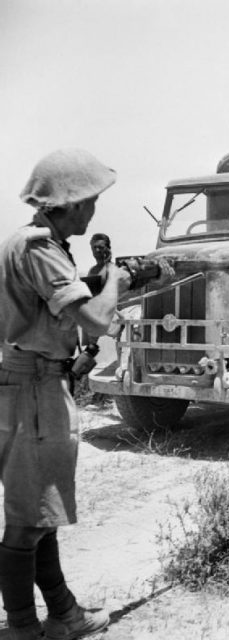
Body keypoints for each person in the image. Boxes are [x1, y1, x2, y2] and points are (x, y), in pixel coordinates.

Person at [0, 149, 132, 640]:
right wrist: (116, 280)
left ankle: (63, 615)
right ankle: (20, 627)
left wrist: (105, 281)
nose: (94, 210)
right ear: (73, 204)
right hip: (35, 389)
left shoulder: (33, 243)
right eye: (91, 201)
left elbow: (53, 305)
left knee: (41, 512)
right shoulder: (39, 248)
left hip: (29, 381)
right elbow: (96, 319)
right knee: (25, 520)